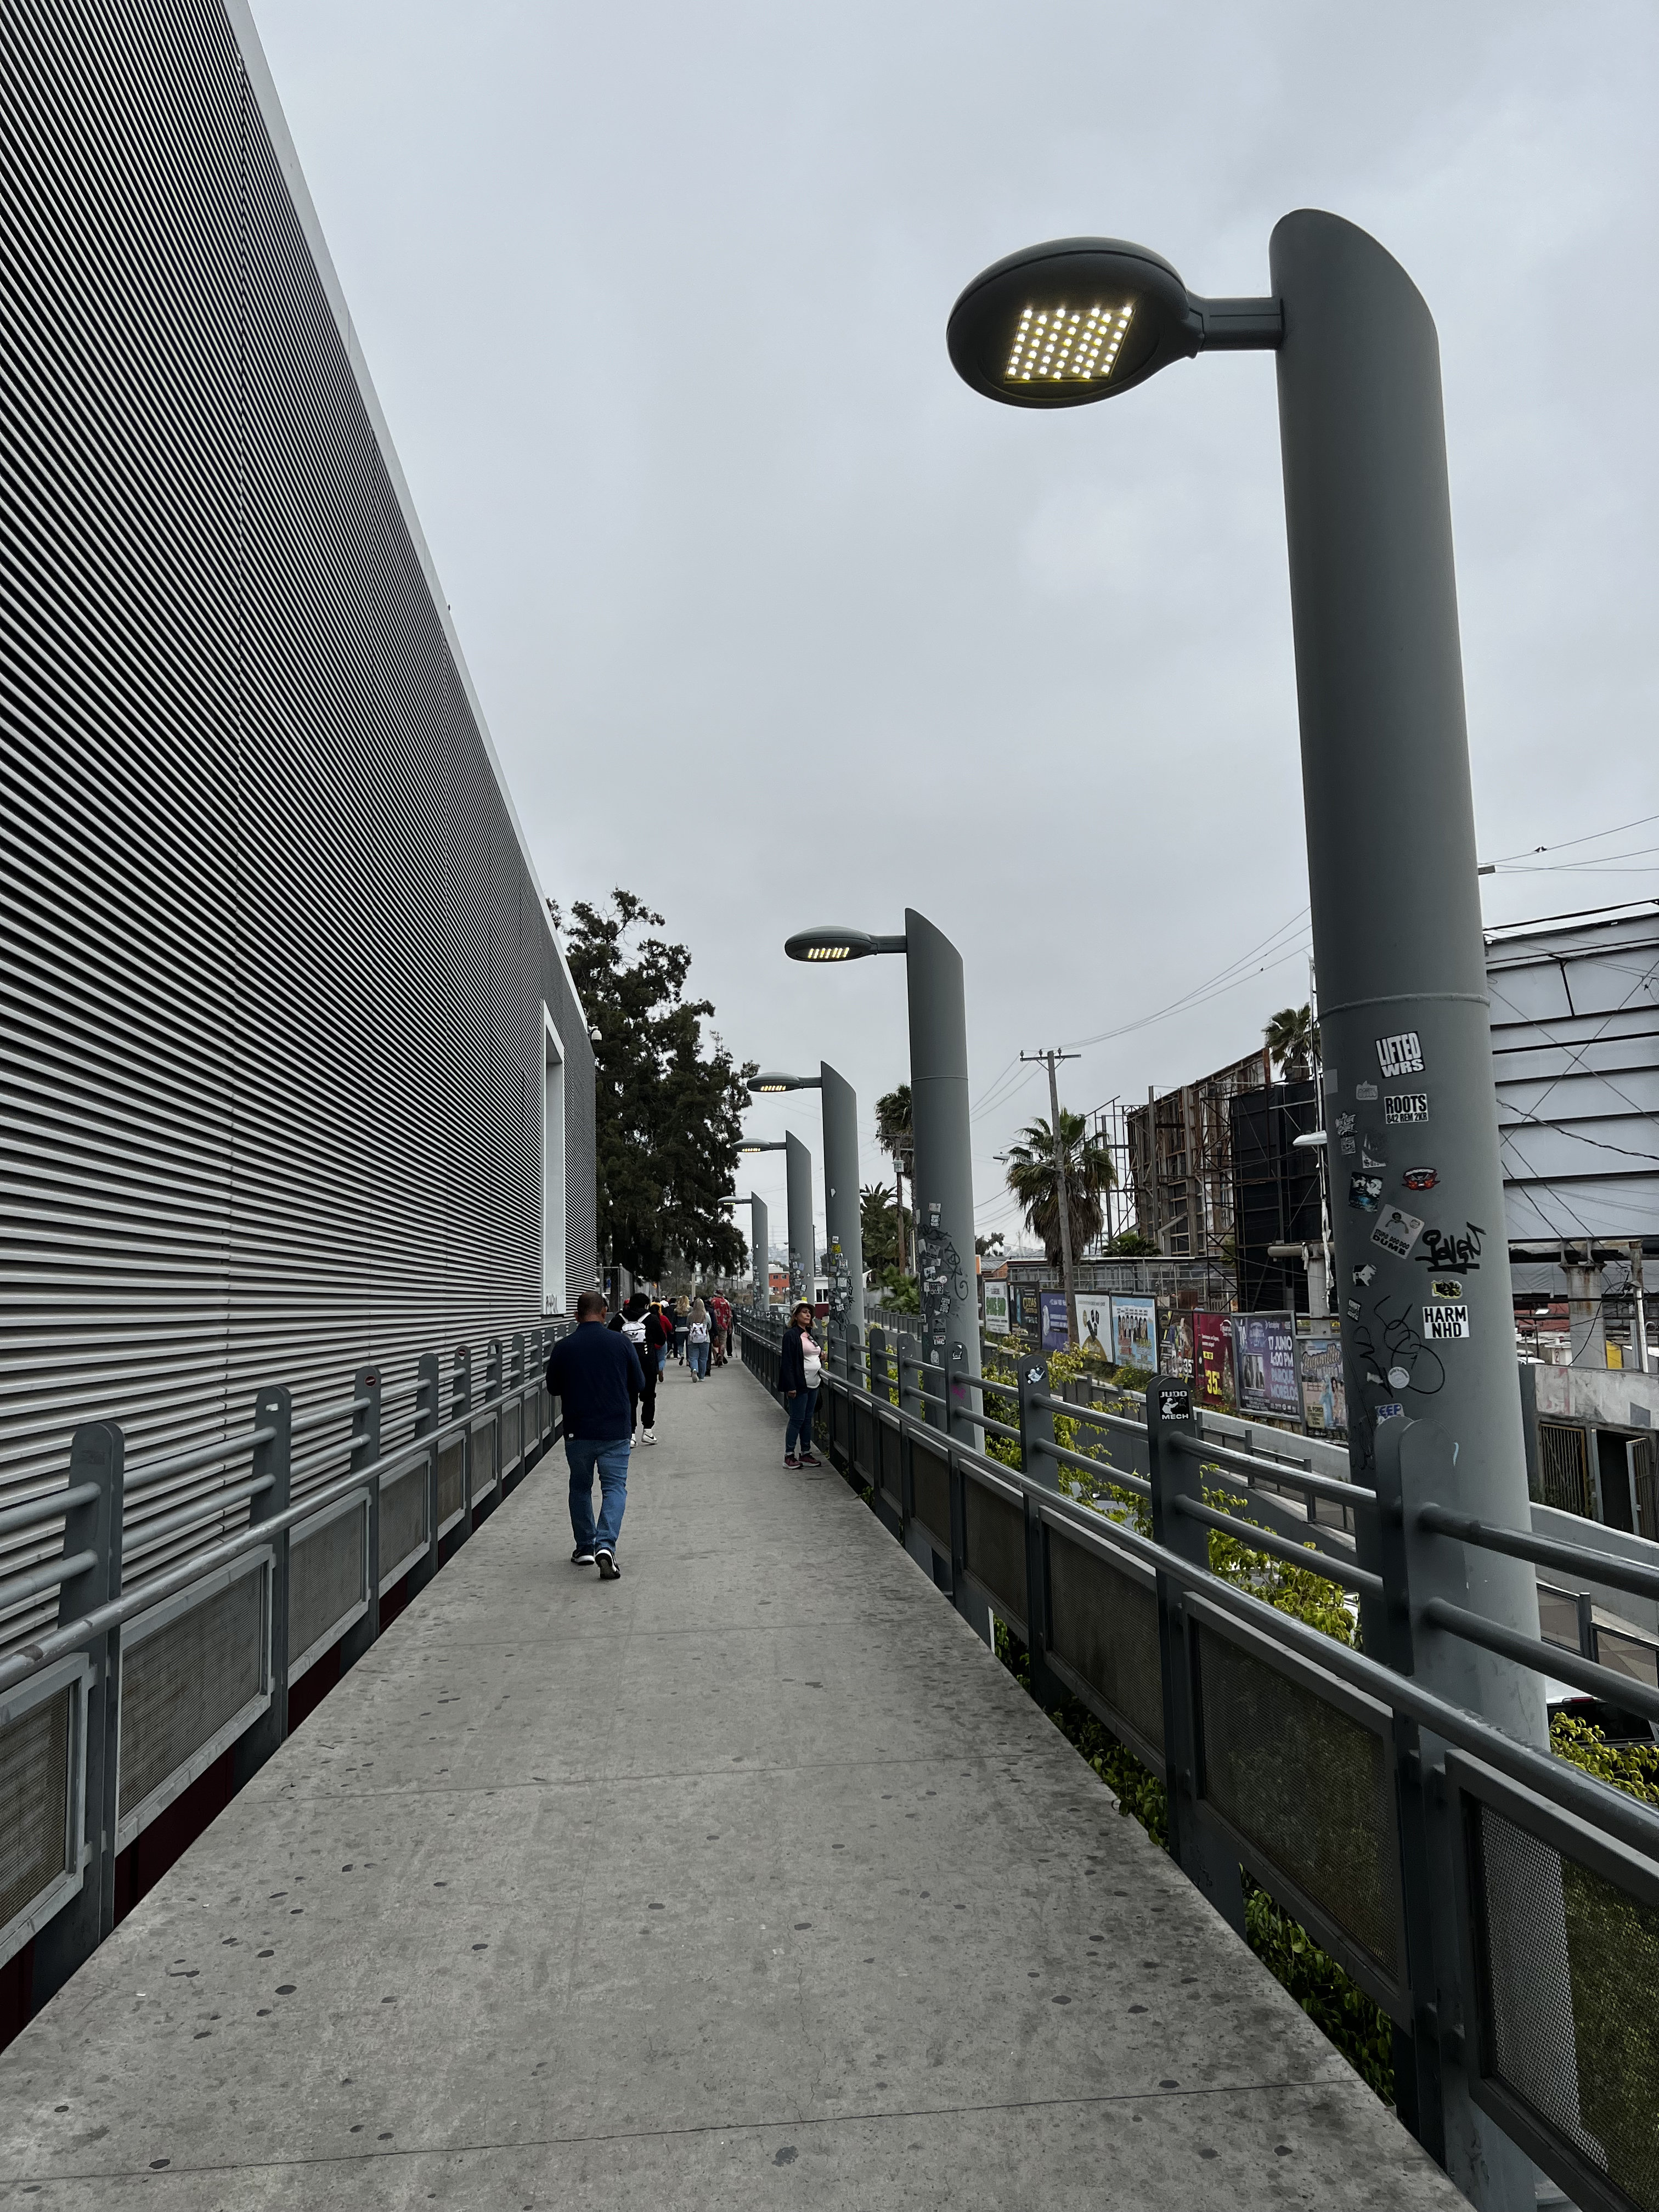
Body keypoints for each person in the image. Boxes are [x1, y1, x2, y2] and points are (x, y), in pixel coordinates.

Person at [545, 1289, 642, 1579]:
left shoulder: (564, 1348)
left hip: (578, 1431)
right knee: (615, 1488)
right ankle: (606, 1545)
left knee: (580, 1487)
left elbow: (553, 1388)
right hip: (615, 1430)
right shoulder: (621, 1343)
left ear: (576, 1315)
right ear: (604, 1313)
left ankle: (585, 1547)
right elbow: (638, 1382)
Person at [778, 1300, 822, 1468]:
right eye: (804, 1312)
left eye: (809, 1313)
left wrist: (821, 1358)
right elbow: (788, 1363)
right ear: (796, 1316)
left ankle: (806, 1453)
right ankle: (789, 1456)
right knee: (797, 1419)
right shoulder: (791, 1336)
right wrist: (791, 1386)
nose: (808, 1315)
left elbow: (810, 1356)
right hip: (799, 1384)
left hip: (814, 1383)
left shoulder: (809, 1334)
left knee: (807, 1419)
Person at [687, 1297, 711, 1380]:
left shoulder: (690, 1316)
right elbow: (710, 1327)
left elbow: (687, 1326)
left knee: (693, 1357)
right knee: (703, 1359)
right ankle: (702, 1377)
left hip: (692, 1339)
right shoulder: (706, 1316)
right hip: (705, 1339)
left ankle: (694, 1369)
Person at [671, 1295, 690, 1364]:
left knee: (680, 1344)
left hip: (679, 1329)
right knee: (689, 1345)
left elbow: (674, 1320)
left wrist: (672, 1329)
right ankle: (688, 1360)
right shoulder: (690, 1309)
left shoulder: (676, 1310)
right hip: (688, 1329)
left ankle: (682, 1354)